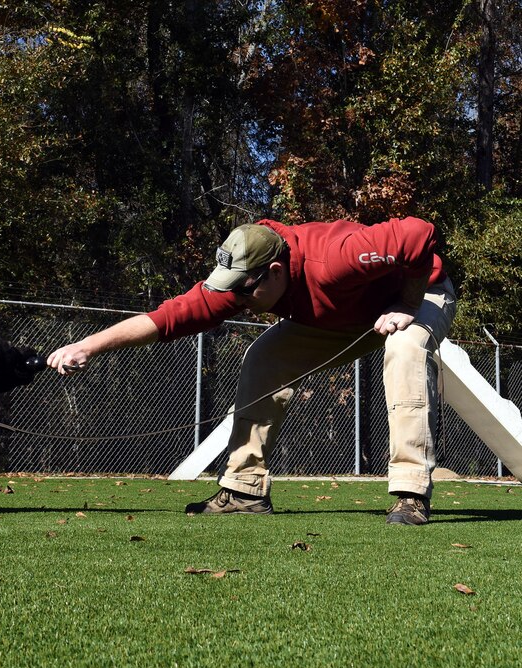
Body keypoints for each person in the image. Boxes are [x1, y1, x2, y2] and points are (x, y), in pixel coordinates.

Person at [47, 218, 456, 525]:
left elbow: (418, 233)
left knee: (406, 347)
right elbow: (167, 318)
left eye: (243, 288)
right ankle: (244, 491)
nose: (234, 298)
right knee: (263, 357)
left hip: (419, 296)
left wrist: (406, 302)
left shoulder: (334, 259)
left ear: (275, 272)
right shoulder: (243, 282)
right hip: (340, 320)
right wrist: (88, 346)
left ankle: (410, 493)